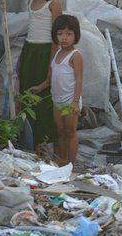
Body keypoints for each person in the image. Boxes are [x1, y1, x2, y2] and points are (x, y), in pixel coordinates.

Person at [18, 0, 62, 150]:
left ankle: (44, 144)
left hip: (45, 52)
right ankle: (29, 142)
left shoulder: (54, 3)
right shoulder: (32, 0)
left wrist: (51, 67)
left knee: (43, 97)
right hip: (30, 51)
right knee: (26, 95)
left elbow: (56, 37)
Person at [31, 15, 83, 165]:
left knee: (70, 133)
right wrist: (39, 87)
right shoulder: (57, 54)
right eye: (60, 34)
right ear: (55, 35)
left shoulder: (75, 56)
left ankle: (71, 164)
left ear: (76, 35)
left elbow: (79, 80)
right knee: (60, 132)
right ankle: (60, 161)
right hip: (57, 101)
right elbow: (50, 79)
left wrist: (75, 102)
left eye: (69, 34)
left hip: (69, 102)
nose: (64, 38)